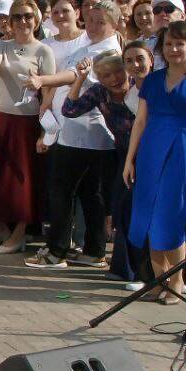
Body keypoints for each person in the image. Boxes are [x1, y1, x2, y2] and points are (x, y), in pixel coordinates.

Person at [124, 21, 186, 304]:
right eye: (168, 44)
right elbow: (140, 121)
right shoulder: (153, 79)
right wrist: (130, 159)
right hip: (151, 150)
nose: (174, 49)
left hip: (182, 151)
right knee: (148, 214)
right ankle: (158, 280)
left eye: (180, 43)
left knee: (171, 215)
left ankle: (177, 280)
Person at [25, 0, 122, 269]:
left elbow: (71, 75)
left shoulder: (108, 51)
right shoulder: (87, 45)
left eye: (100, 22)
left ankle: (57, 251)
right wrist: (47, 103)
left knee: (62, 191)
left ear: (114, 25)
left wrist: (43, 81)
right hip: (69, 131)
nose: (92, 26)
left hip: (86, 133)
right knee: (89, 193)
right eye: (89, 20)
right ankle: (93, 250)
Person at [0, 0, 56, 253]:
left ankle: (19, 233)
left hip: (27, 123)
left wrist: (43, 131)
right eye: (17, 17)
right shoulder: (1, 46)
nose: (22, 21)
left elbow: (48, 90)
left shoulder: (43, 51)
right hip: (0, 121)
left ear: (36, 19)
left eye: (28, 16)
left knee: (22, 181)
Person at [62, 51, 143, 287]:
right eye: (105, 75)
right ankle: (123, 268)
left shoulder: (140, 87)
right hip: (122, 155)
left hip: (146, 154)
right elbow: (69, 110)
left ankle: (143, 269)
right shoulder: (99, 92)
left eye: (118, 71)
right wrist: (80, 78)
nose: (114, 79)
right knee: (121, 210)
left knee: (137, 210)